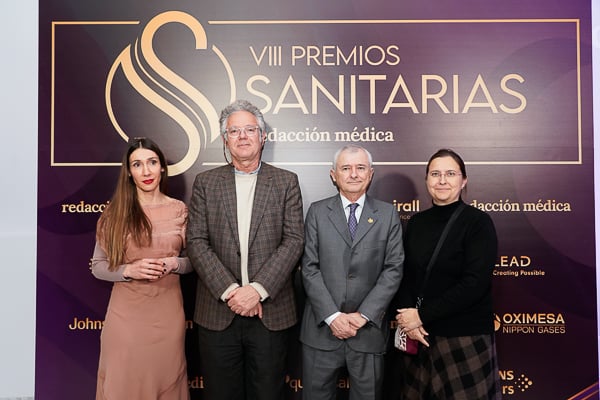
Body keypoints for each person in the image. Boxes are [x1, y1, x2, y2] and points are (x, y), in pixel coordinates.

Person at [186, 99, 305, 400]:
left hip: (270, 312)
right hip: (217, 312)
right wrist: (231, 291)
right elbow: (196, 242)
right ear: (225, 139)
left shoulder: (286, 182)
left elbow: (293, 241)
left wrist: (257, 290)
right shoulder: (206, 183)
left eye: (249, 129)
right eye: (234, 130)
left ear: (262, 136)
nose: (242, 136)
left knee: (268, 393)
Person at [394, 148, 502, 399]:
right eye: (435, 174)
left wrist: (420, 316)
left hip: (464, 336)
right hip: (420, 337)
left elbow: (474, 283)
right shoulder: (416, 222)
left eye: (450, 174)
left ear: (463, 181)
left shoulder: (478, 222)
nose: (442, 180)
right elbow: (404, 275)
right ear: (427, 180)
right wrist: (408, 320)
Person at [90, 137, 192, 400]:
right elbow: (98, 267)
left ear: (162, 168)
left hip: (169, 318)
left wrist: (175, 263)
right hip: (126, 321)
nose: (146, 171)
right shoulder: (115, 213)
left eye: (152, 162)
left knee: (167, 382)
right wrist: (129, 271)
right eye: (137, 164)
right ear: (129, 172)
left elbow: (195, 261)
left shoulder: (179, 210)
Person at [300, 144, 404, 400]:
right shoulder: (317, 212)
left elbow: (393, 269)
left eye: (360, 168)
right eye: (346, 168)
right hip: (321, 331)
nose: (353, 174)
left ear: (370, 173)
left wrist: (364, 315)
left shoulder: (388, 214)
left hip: (367, 332)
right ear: (333, 175)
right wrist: (333, 316)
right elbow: (309, 268)